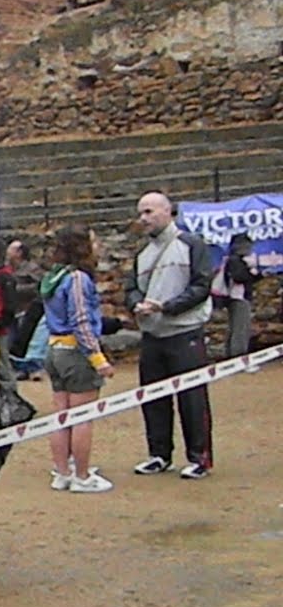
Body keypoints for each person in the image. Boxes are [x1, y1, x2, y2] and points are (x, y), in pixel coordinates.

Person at [125, 191, 214, 479]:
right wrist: (136, 304)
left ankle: (199, 457)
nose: (143, 218)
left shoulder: (191, 244)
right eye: (141, 213)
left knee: (192, 398)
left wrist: (167, 307)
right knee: (153, 397)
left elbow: (201, 286)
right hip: (153, 336)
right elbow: (131, 288)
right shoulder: (142, 254)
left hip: (185, 333)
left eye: (149, 212)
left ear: (167, 211)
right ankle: (159, 454)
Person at [40, 226, 114, 494]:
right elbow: (81, 320)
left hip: (54, 349)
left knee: (61, 414)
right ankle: (82, 476)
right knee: (82, 417)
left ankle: (62, 472)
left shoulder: (53, 276)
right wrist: (98, 358)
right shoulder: (78, 279)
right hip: (75, 353)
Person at [219, 232, 257, 360]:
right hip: (238, 297)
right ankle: (238, 359)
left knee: (236, 328)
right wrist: (252, 273)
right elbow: (239, 277)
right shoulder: (235, 260)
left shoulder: (232, 259)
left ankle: (231, 356)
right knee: (240, 329)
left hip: (236, 297)